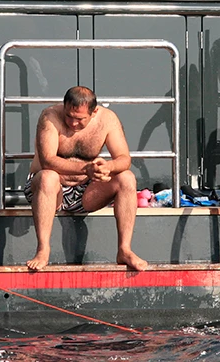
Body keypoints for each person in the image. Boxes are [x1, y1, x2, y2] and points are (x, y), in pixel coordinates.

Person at [25, 86, 148, 272]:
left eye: (79, 119)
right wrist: (85, 168)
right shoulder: (49, 116)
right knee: (48, 177)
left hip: (85, 192)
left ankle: (124, 249)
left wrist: (109, 167)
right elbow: (47, 161)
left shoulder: (107, 119)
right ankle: (43, 249)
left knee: (127, 178)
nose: (73, 123)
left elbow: (124, 159)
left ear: (94, 112)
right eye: (69, 116)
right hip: (49, 190)